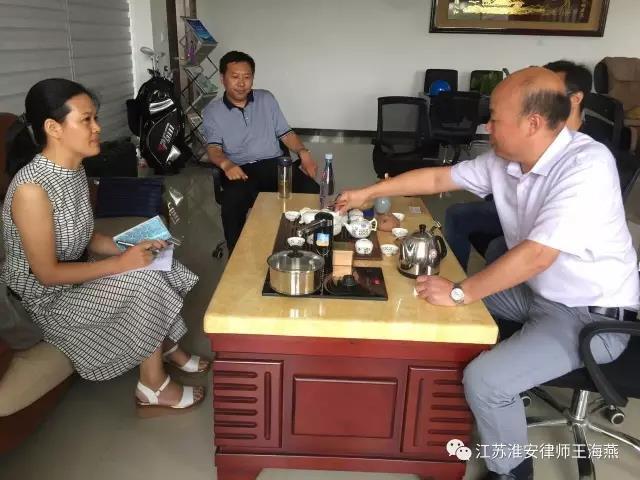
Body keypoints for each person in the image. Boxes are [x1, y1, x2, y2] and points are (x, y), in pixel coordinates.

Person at [336, 67, 639, 479]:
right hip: (536, 291)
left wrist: (460, 292)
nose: (486, 127)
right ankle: (415, 416)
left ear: (532, 123)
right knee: (422, 295)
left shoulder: (586, 165)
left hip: (589, 315)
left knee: (486, 381)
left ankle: (512, 470)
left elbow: (536, 256)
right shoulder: (508, 159)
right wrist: (368, 192)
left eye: (495, 119)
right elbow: (439, 177)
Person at [2, 78, 208, 416]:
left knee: (159, 258)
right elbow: (46, 274)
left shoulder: (74, 170)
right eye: (86, 120)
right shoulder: (31, 190)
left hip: (72, 282)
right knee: (144, 277)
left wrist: (130, 245)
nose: (97, 127)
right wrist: (122, 263)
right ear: (54, 128)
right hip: (43, 303)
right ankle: (152, 385)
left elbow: (85, 236)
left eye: (94, 118)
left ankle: (167, 345)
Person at [444, 60, 593, 271]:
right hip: (516, 211)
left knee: (498, 248)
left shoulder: (587, 159)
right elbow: (440, 178)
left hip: (552, 238)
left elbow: (542, 251)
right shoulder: (522, 144)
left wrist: (460, 289)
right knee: (460, 216)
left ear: (575, 99)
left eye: (551, 91)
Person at [203, 50, 320, 253]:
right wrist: (226, 164)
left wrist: (303, 152)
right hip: (241, 170)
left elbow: (285, 133)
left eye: (247, 77)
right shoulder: (213, 111)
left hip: (275, 165)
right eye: (235, 77)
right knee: (232, 202)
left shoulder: (266, 99)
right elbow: (213, 149)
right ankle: (237, 255)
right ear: (222, 79)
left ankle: (303, 246)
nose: (241, 83)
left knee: (310, 189)